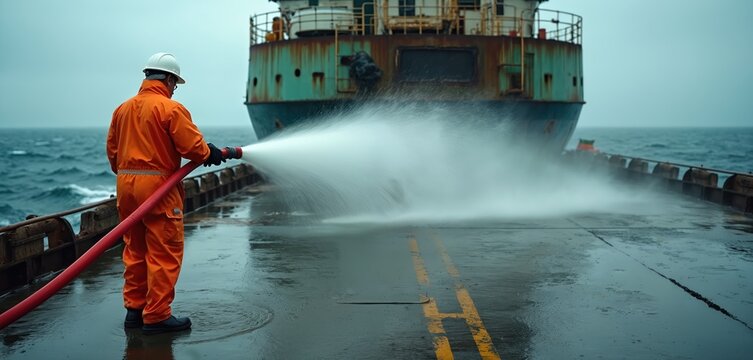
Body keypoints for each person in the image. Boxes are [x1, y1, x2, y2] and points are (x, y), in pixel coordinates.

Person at [106, 52, 227, 335]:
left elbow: (113, 153)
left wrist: (130, 174)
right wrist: (210, 152)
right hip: (159, 188)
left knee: (135, 250)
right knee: (164, 251)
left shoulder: (122, 109)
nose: (175, 89)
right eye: (176, 83)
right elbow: (194, 150)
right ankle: (158, 315)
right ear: (169, 78)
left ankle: (134, 312)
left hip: (126, 187)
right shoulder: (170, 109)